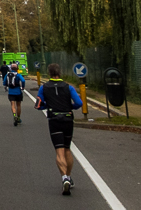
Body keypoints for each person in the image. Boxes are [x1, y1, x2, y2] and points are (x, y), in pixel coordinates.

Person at [35, 63, 84, 195]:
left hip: (54, 120)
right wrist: (70, 107)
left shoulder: (43, 88)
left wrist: (47, 105)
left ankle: (64, 178)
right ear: (60, 73)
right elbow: (79, 103)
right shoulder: (68, 87)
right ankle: (69, 177)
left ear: (49, 74)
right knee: (67, 149)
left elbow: (38, 105)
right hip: (68, 119)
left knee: (59, 151)